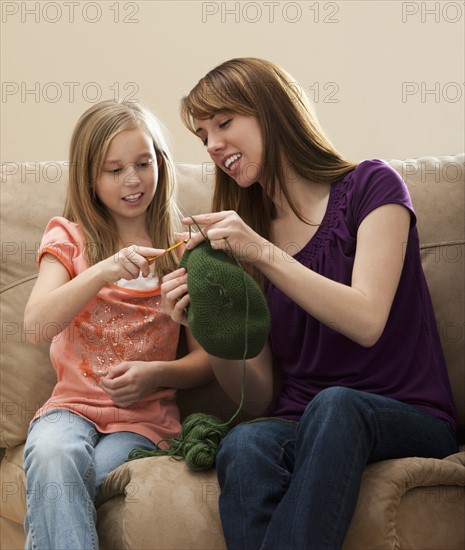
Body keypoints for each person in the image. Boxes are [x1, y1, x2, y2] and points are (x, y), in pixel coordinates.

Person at [160, 58, 459, 550]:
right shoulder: (242, 242)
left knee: (335, 405)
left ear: (272, 111)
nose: (212, 145)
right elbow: (256, 399)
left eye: (224, 123)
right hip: (300, 421)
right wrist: (212, 326)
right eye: (202, 135)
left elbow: (365, 320)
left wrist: (261, 251)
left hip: (409, 412)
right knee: (245, 441)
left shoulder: (372, 187)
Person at [22, 99, 212, 550]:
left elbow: (207, 360)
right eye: (115, 170)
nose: (133, 180)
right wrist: (102, 271)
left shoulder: (183, 253)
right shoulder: (69, 240)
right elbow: (35, 327)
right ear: (91, 177)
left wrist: (158, 374)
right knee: (53, 453)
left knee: (76, 480)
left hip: (143, 423)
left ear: (160, 164)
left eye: (143, 164)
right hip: (70, 410)